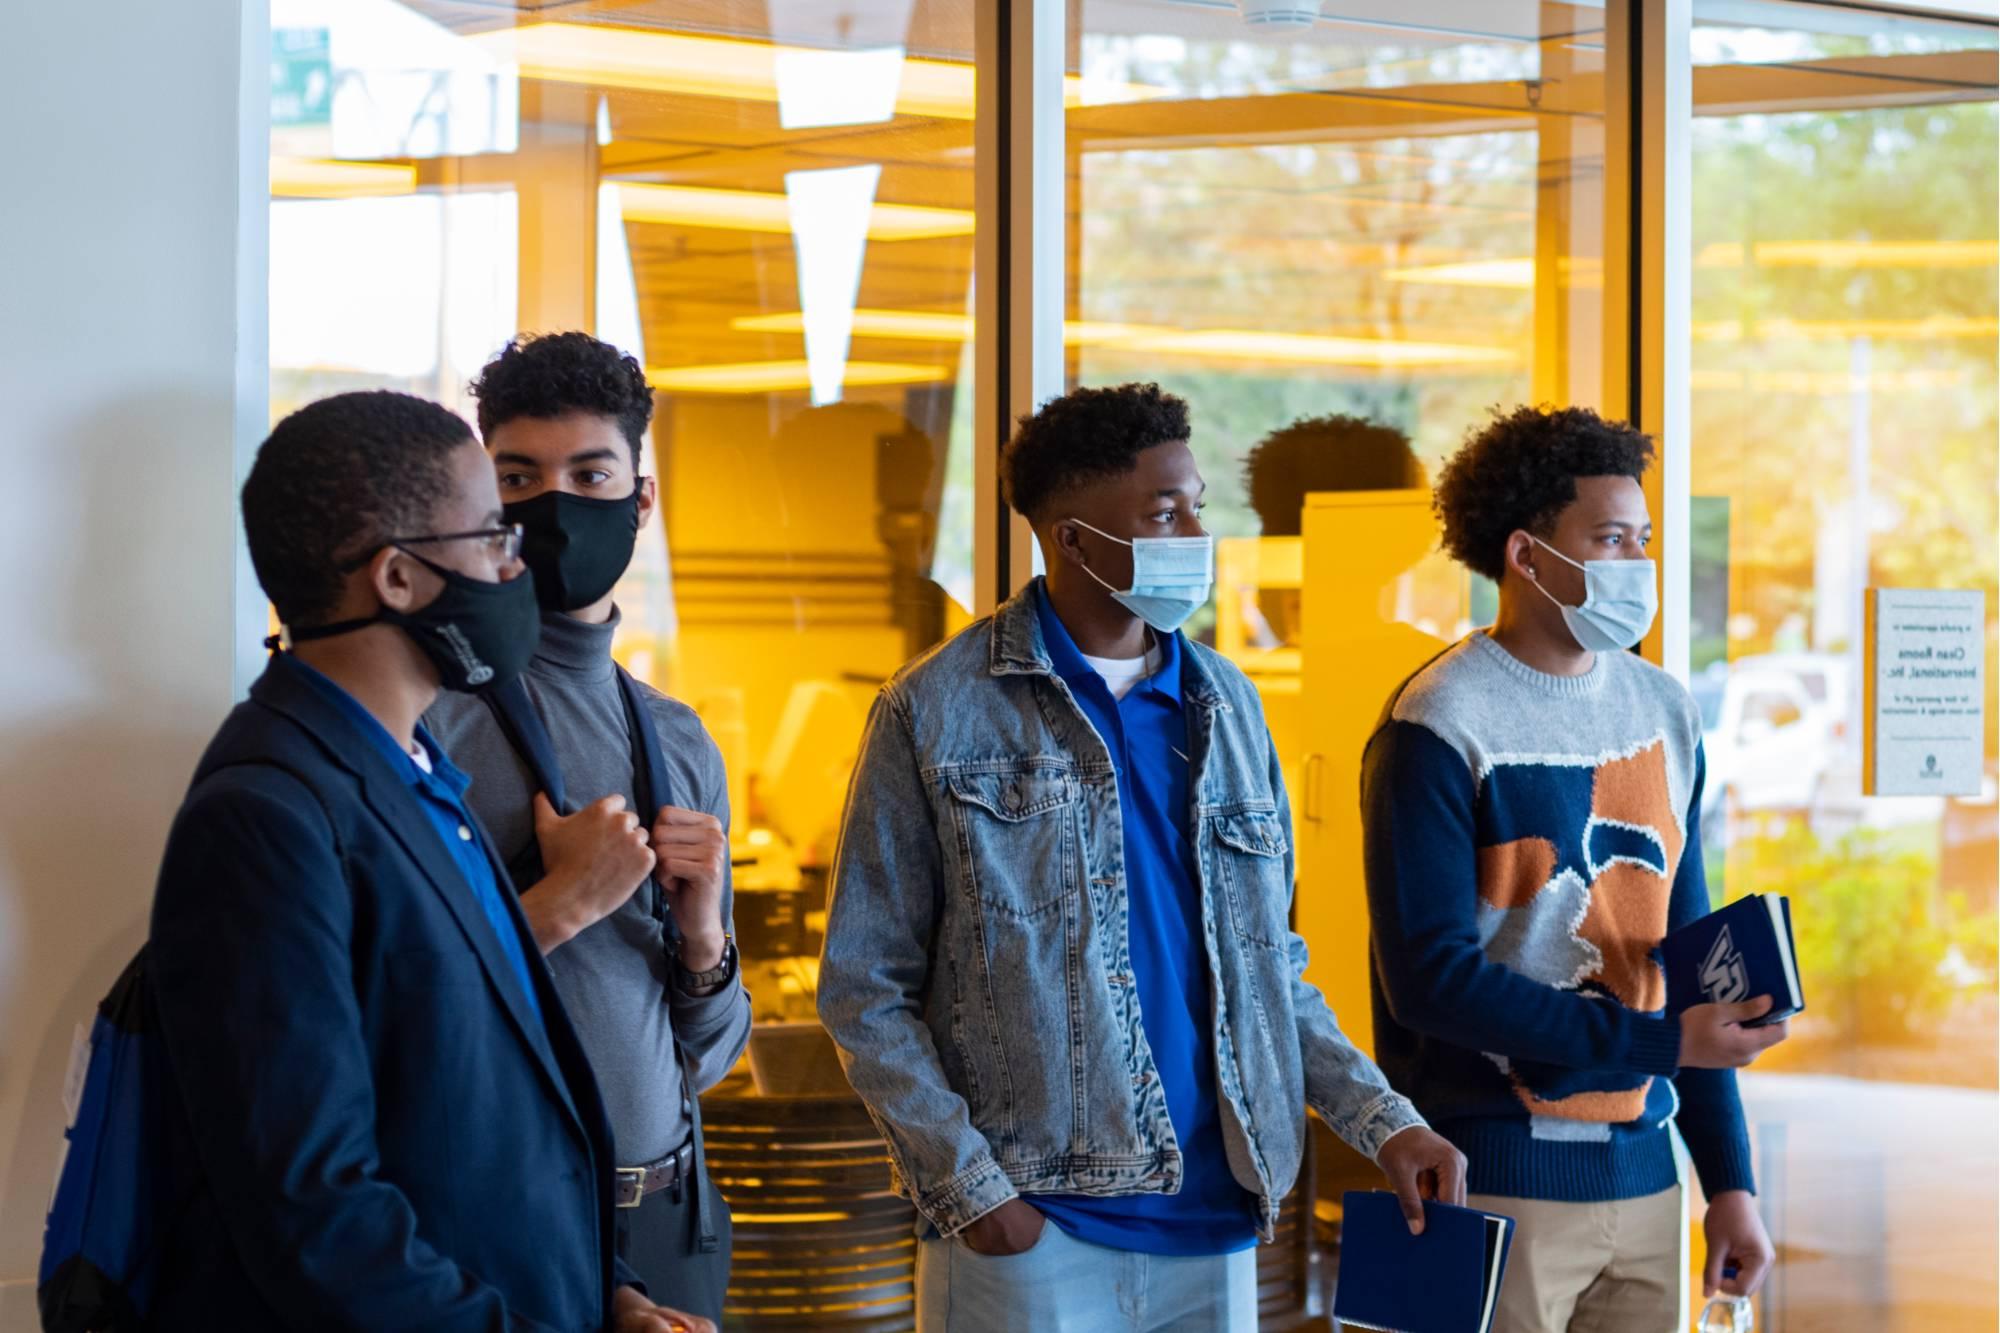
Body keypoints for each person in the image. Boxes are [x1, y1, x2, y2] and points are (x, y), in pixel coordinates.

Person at [817, 382, 1466, 1333]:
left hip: (1218, 1221)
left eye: (1197, 505)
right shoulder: (933, 711)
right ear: (1074, 539)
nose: (1195, 532)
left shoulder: (1229, 706)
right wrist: (976, 1194)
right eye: (1166, 513)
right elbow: (865, 987)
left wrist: (1385, 1119)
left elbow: (1269, 970)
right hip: (1035, 1230)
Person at [147, 390, 703, 1331]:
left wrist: (608, 1295)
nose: (516, 561)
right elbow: (315, 1211)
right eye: (492, 532)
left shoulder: (421, 774)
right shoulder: (266, 815)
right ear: (398, 580)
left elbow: (481, 1110)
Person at [1360, 405, 1788, 1333]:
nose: (1637, 562)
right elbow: (1428, 982)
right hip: (1486, 1181)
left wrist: (1730, 1182)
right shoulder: (1436, 721)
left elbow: (1688, 958)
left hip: (1646, 1184)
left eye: (1642, 537)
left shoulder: (1664, 706)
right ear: (1526, 554)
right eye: (1610, 538)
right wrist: (1659, 1046)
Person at [426, 333, 750, 1323]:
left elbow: (707, 1053)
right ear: (483, 499)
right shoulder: (428, 713)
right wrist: (558, 904)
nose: (556, 504)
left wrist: (701, 941)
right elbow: (387, 1002)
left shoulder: (676, 734)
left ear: (640, 501)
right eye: (519, 476)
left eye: (590, 473)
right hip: (494, 1217)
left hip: (671, 1214)